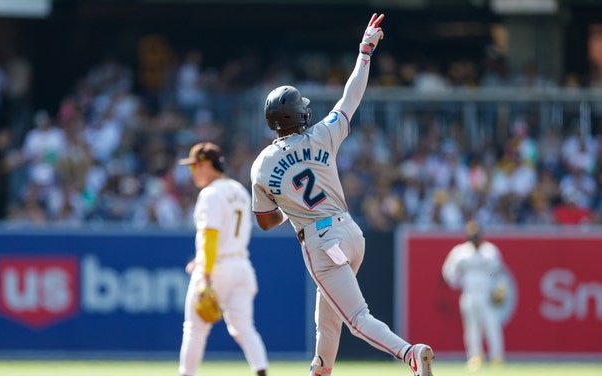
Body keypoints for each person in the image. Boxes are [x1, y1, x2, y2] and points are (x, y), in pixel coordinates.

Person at [250, 12, 435, 376]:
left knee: (356, 318)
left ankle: (410, 353)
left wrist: (292, 206)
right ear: (296, 115)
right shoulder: (322, 135)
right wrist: (365, 51)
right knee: (328, 310)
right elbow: (352, 95)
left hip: (320, 240)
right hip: (350, 232)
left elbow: (266, 222)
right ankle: (322, 368)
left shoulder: (261, 166)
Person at [178, 142, 268, 376]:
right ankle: (261, 371)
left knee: (194, 330)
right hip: (241, 266)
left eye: (194, 166)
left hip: (216, 268)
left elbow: (210, 236)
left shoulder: (211, 193)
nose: (193, 172)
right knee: (245, 329)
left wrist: (205, 274)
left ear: (207, 165)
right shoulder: (239, 190)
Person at [441, 220, 507, 371]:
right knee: (472, 327)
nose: (475, 236)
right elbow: (449, 271)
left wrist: (498, 289)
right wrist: (458, 284)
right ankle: (475, 357)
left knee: (492, 325)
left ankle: (497, 357)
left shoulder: (490, 251)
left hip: (487, 294)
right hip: (469, 293)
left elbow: (498, 272)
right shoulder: (461, 252)